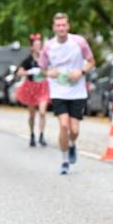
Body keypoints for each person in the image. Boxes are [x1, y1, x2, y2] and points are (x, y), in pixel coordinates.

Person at [39, 13, 95, 175]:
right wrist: (50, 72)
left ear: (68, 26)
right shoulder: (48, 46)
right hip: (58, 91)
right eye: (58, 25)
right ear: (54, 27)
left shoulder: (79, 42)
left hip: (77, 91)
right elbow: (42, 69)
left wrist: (81, 72)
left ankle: (71, 144)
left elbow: (91, 61)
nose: (61, 28)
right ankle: (64, 161)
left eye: (64, 25)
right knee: (64, 125)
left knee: (75, 130)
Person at [15, 33, 50, 147]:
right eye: (36, 45)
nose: (38, 47)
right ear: (32, 47)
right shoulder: (28, 60)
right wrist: (28, 72)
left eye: (40, 45)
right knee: (32, 115)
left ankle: (41, 135)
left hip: (42, 87)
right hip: (31, 88)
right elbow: (19, 72)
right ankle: (32, 134)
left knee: (43, 112)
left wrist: (43, 72)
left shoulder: (45, 59)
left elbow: (50, 70)